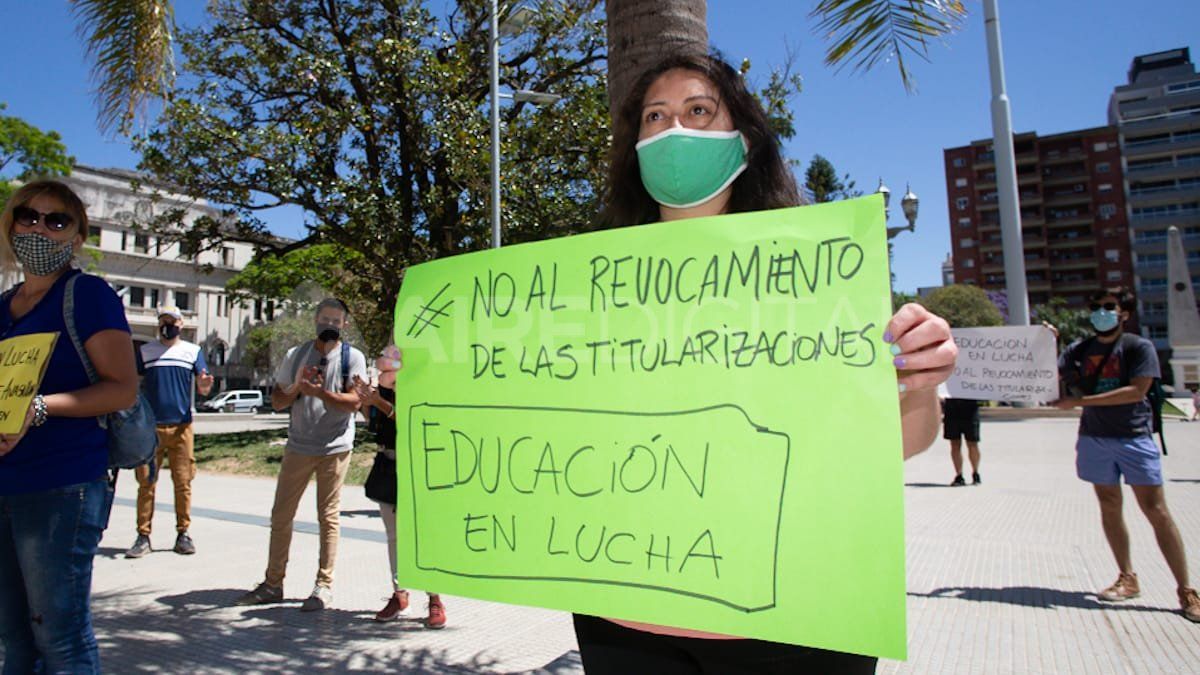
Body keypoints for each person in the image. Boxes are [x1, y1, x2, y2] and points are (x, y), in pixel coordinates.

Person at [378, 52, 957, 673]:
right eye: (655, 116)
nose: (674, 128)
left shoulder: (818, 276)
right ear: (635, 145)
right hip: (624, 622)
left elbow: (902, 441)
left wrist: (921, 385)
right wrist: (425, 375)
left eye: (698, 110)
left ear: (745, 141)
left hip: (798, 622)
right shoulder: (576, 290)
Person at [0, 180, 139, 672]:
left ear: (77, 236)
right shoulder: (4, 307)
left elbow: (123, 388)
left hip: (61, 487)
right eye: (27, 216)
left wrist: (38, 409)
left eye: (56, 220)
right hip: (4, 486)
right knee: (9, 643)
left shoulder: (88, 295)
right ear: (11, 224)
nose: (39, 228)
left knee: (58, 635)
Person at [1053, 288, 1200, 623]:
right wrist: (1046, 340)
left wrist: (1080, 403)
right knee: (1109, 504)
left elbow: (1137, 391)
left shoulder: (1138, 347)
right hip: (1094, 438)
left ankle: (1186, 589)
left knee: (1156, 510)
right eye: (1095, 307)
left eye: (1108, 307)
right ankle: (1127, 575)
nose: (1101, 313)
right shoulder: (1079, 349)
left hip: (1134, 437)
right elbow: (1053, 371)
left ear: (1124, 314)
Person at [235, 298, 367, 612]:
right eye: (325, 319)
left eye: (336, 321)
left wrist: (322, 393)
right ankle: (273, 583)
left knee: (328, 517)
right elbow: (278, 401)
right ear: (315, 320)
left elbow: (355, 403)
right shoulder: (296, 355)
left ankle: (324, 585)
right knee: (281, 515)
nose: (330, 326)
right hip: (298, 445)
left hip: (335, 447)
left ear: (344, 325)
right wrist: (297, 386)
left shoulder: (353, 358)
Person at [353, 374, 446, 629]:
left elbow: (410, 419)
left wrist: (378, 402)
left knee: (422, 535)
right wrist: (366, 403)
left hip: (417, 464)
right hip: (387, 463)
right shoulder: (384, 384)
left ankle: (434, 596)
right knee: (394, 535)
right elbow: (377, 425)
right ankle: (399, 592)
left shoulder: (422, 380)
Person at [125, 306, 214, 558]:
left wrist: (205, 385)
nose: (168, 325)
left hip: (182, 427)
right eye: (163, 321)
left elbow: (203, 386)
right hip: (150, 427)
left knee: (183, 482)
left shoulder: (192, 351)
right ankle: (143, 535)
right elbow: (134, 383)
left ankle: (183, 533)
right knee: (146, 482)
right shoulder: (145, 351)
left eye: (172, 321)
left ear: (181, 324)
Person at [942, 398, 982, 486]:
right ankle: (959, 475)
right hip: (951, 410)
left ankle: (975, 473)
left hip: (970, 410)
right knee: (954, 444)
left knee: (972, 444)